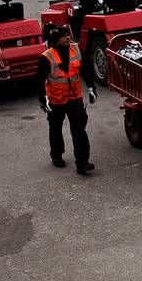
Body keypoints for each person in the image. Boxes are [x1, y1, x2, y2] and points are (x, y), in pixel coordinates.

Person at [38, 25, 96, 174]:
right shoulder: (46, 57)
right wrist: (43, 100)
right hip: (56, 101)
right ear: (56, 40)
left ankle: (82, 162)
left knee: (79, 130)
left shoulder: (75, 50)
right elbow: (40, 81)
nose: (68, 38)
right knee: (55, 129)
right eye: (64, 36)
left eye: (68, 35)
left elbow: (85, 69)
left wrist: (91, 88)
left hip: (74, 97)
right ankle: (56, 155)